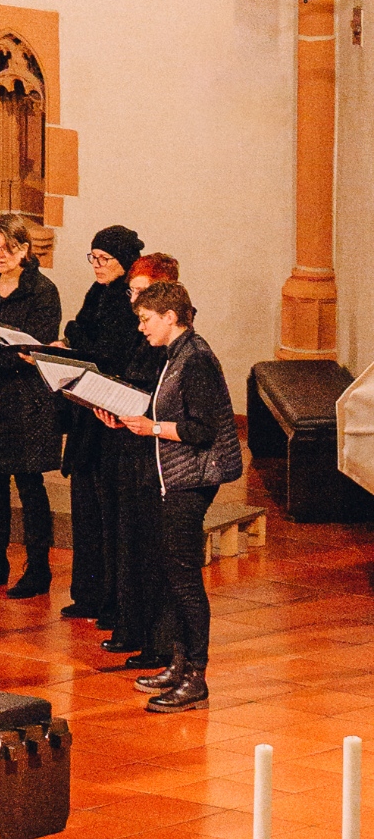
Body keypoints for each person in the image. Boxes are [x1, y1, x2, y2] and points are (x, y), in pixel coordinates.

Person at [101, 279, 242, 710]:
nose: (141, 328)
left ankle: (195, 676)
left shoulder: (195, 359)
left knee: (184, 579)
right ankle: (180, 665)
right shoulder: (177, 354)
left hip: (191, 480)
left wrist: (151, 428)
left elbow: (203, 430)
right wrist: (133, 417)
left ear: (170, 317)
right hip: (175, 478)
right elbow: (169, 408)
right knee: (172, 574)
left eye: (145, 319)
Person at [0, 212, 63, 598]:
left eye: (6, 248)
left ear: (24, 249)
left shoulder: (42, 291)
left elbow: (32, 350)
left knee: (29, 484)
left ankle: (38, 568)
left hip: (27, 400)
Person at [61, 224, 143, 624]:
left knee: (107, 513)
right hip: (86, 410)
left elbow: (107, 351)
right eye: (92, 257)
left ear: (124, 262)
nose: (96, 265)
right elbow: (76, 331)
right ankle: (87, 594)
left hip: (109, 414)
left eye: (104, 259)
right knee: (85, 509)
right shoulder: (97, 293)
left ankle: (111, 599)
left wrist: (78, 342)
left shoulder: (128, 300)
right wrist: (78, 342)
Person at [105, 249, 177, 668]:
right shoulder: (143, 333)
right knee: (129, 542)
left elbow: (174, 404)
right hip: (132, 446)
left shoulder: (181, 347)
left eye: (142, 293)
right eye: (131, 292)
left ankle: (159, 642)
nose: (135, 304)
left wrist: (140, 415)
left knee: (155, 552)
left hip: (160, 458)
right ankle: (131, 627)